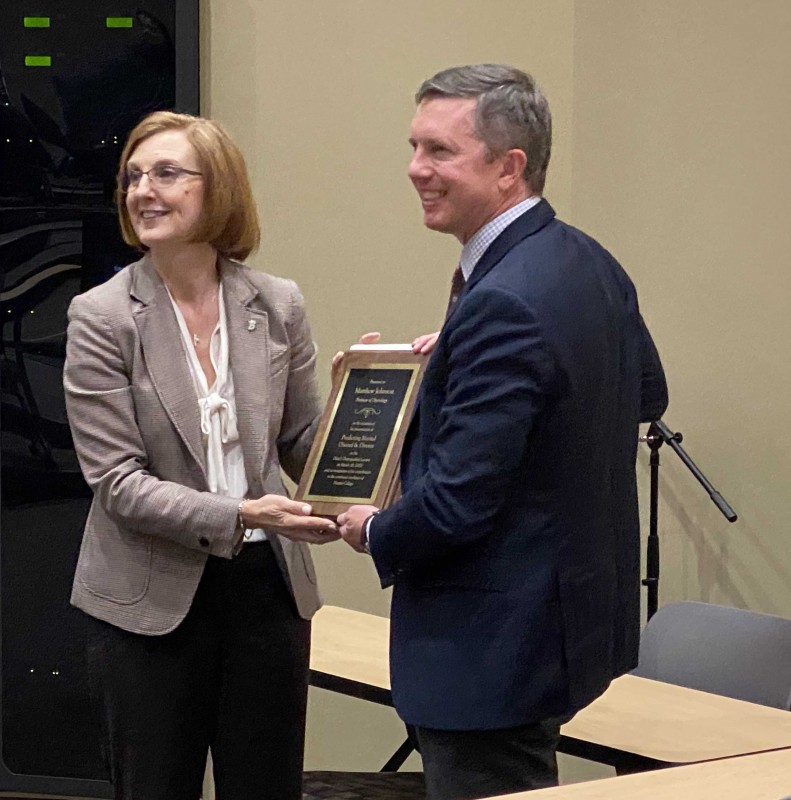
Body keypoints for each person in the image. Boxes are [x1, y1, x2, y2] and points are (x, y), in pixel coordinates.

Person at [337, 64, 668, 800]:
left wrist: (370, 529)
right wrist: (460, 360)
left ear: (508, 167)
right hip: (566, 630)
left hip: (491, 650)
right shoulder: (584, 260)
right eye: (413, 147)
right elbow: (645, 392)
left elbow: (456, 501)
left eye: (438, 151)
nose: (415, 169)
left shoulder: (505, 300)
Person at [63, 111, 338, 800]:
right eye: (133, 176)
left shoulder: (276, 303)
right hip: (149, 599)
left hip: (264, 594)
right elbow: (118, 484)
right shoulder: (102, 317)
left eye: (165, 173)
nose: (142, 191)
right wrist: (243, 510)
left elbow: (302, 442)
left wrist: (368, 414)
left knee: (265, 787)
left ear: (216, 188)